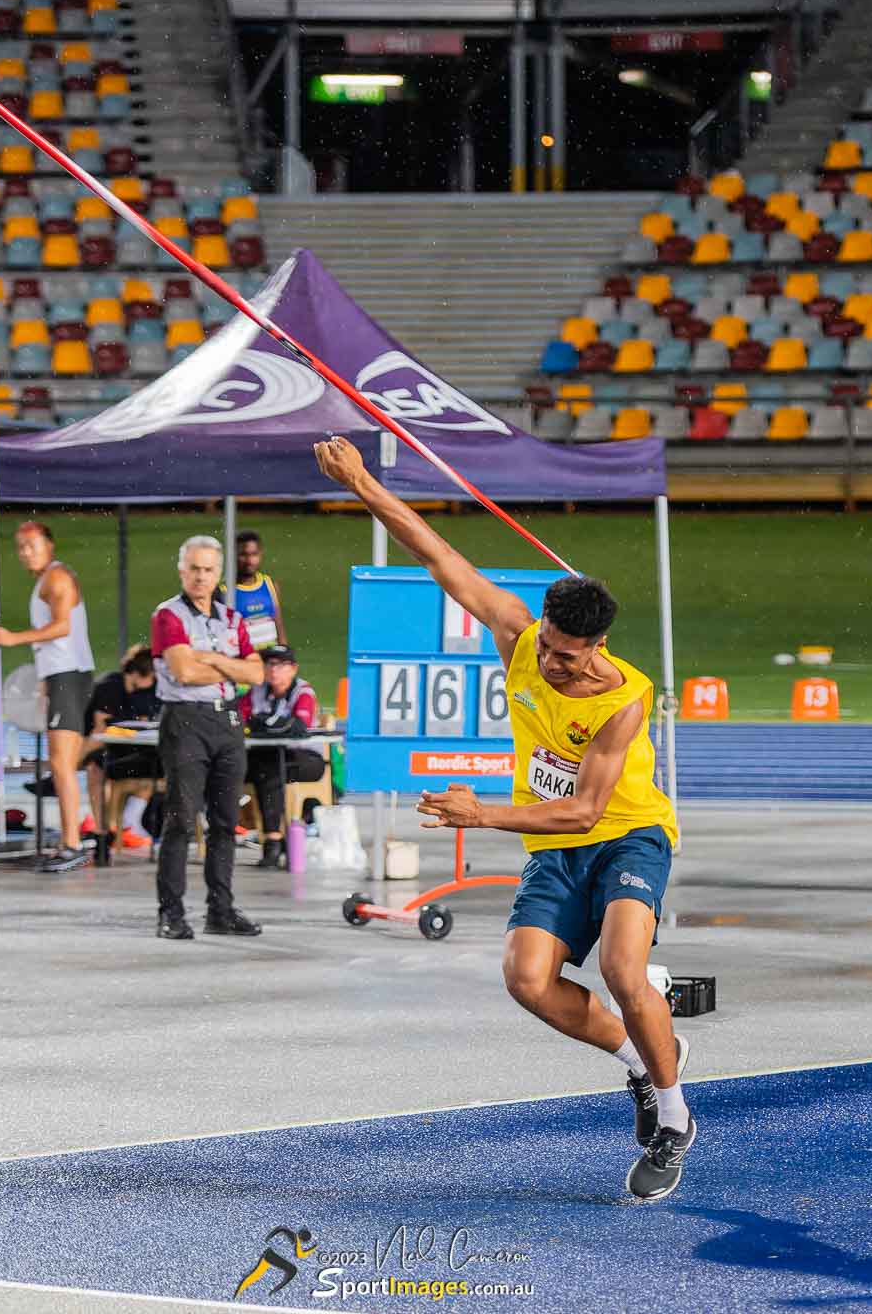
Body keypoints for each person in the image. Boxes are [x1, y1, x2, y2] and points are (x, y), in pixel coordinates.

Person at [313, 435, 692, 1204]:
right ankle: (646, 1066)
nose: (554, 664)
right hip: (556, 851)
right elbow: (438, 554)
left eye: (569, 656)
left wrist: (479, 813)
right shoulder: (519, 636)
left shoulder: (624, 697)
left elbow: (586, 808)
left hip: (626, 836)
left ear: (598, 645)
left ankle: (675, 1117)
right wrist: (360, 483)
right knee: (527, 980)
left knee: (623, 969)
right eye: (549, 648)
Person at [150, 535, 265, 940]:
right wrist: (232, 667)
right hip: (186, 722)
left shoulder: (232, 619)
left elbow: (257, 674)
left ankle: (221, 909)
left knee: (225, 822)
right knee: (181, 819)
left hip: (227, 723)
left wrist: (212, 658)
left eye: (208, 570)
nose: (201, 577)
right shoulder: (168, 616)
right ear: (182, 571)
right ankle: (172, 913)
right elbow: (184, 672)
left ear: (219, 574)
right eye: (194, 569)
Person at [0, 521, 95, 873]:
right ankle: (69, 841)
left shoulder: (57, 578)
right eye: (20, 546)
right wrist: (45, 682)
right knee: (59, 762)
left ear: (49, 545)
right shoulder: (44, 581)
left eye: (32, 545)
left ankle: (72, 844)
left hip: (70, 676)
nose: (25, 552)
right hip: (60, 677)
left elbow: (62, 626)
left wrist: (12, 638)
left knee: (62, 764)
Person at [241, 644, 325, 869]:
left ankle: (273, 841)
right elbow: (240, 718)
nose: (273, 670)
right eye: (269, 664)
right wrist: (269, 724)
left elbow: (298, 727)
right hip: (267, 758)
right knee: (248, 766)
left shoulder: (303, 692)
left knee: (269, 767)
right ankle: (273, 840)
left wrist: (263, 723)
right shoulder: (257, 690)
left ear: (293, 669)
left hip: (307, 759)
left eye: (280, 665)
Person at [80, 645, 160, 851]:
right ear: (135, 673)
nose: (152, 682)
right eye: (150, 677)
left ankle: (129, 820)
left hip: (131, 746)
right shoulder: (110, 686)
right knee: (96, 768)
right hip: (101, 745)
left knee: (155, 761)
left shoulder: (146, 691)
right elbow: (100, 728)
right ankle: (103, 828)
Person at [230, 529, 286, 651]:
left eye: (254, 554)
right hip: (244, 665)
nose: (249, 561)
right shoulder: (224, 593)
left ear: (260, 554)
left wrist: (285, 657)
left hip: (271, 663)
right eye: (243, 555)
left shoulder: (270, 584)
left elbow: (279, 625)